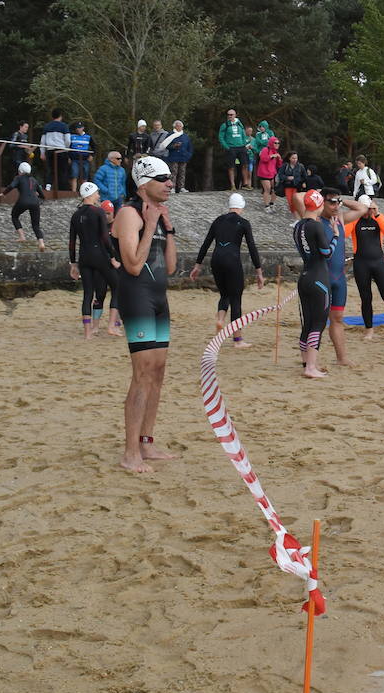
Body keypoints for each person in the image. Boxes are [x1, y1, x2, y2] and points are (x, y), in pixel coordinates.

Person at [113, 156, 179, 472]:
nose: (170, 182)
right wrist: (151, 223)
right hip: (136, 297)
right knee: (141, 374)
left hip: (158, 298)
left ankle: (147, 443)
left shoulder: (156, 214)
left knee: (158, 370)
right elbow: (134, 266)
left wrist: (169, 229)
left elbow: (170, 267)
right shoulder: (128, 214)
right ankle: (130, 453)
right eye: (162, 178)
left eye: (170, 177)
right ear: (143, 183)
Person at [189, 193, 265, 348]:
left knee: (224, 295)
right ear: (242, 207)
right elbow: (252, 247)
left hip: (216, 260)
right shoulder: (243, 223)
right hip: (232, 260)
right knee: (236, 298)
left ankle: (220, 320)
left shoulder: (218, 220)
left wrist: (197, 265)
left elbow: (206, 243)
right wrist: (259, 272)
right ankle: (238, 340)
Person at [346, 196, 384, 342]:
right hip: (361, 263)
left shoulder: (377, 219)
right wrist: (353, 213)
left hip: (378, 261)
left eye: (368, 208)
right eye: (364, 208)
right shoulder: (355, 220)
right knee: (366, 298)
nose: (366, 211)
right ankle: (369, 330)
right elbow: (345, 232)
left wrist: (378, 213)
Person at [319, 187, 369, 363]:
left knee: (338, 318)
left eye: (337, 202)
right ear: (321, 202)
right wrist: (318, 194)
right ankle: (309, 361)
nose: (336, 206)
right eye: (331, 202)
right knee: (316, 321)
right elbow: (297, 197)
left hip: (338, 278)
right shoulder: (314, 220)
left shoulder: (338, 218)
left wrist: (341, 200)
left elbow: (362, 208)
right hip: (321, 277)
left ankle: (342, 358)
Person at [68, 181, 121, 338]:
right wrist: (112, 257)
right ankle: (112, 325)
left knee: (88, 294)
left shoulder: (75, 215)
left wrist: (73, 264)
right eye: (97, 192)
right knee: (118, 287)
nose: (98, 195)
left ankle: (88, 333)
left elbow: (71, 242)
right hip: (99, 256)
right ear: (90, 194)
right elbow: (105, 238)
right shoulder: (97, 212)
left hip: (84, 257)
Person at [293, 189, 333, 379]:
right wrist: (335, 236)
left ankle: (305, 361)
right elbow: (327, 253)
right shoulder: (316, 226)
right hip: (319, 278)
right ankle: (311, 367)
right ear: (319, 205)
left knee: (307, 322)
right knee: (318, 322)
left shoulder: (298, 225)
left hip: (305, 277)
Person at [1, 162, 46, 250]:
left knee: (14, 216)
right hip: (35, 202)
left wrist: (3, 194)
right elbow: (42, 196)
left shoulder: (19, 178)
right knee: (36, 225)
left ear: (20, 171)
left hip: (23, 201)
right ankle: (41, 243)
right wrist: (36, 196)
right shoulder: (34, 180)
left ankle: (22, 236)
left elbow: (11, 186)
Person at [218, 109, 251, 190]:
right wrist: (227, 147)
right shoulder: (225, 125)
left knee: (245, 164)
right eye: (228, 114)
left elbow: (243, 134)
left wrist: (244, 144)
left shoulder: (239, 124)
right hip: (231, 147)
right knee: (231, 166)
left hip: (241, 147)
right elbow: (221, 137)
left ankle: (245, 183)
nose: (230, 116)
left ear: (235, 115)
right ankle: (232, 185)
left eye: (231, 114)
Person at [40, 109, 70, 188]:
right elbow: (68, 140)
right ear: (60, 116)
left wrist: (42, 153)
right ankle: (62, 189)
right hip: (61, 151)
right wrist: (66, 149)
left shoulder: (47, 126)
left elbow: (42, 141)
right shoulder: (64, 126)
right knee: (62, 171)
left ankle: (48, 186)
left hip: (50, 150)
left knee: (50, 170)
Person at [256, 136, 283, 211]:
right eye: (275, 143)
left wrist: (279, 159)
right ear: (271, 143)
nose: (277, 144)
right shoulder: (265, 149)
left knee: (275, 189)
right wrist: (272, 156)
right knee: (267, 189)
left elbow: (279, 165)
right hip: (264, 173)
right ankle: (266, 206)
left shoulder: (276, 152)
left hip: (272, 173)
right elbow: (263, 159)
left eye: (278, 143)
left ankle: (272, 204)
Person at [167, 121, 193, 192]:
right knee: (173, 173)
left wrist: (188, 155)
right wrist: (174, 146)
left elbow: (190, 147)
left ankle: (181, 187)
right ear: (174, 127)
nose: (179, 127)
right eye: (177, 126)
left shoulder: (185, 136)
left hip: (183, 157)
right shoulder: (170, 135)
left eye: (180, 126)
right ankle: (172, 188)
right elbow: (166, 146)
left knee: (182, 173)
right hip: (173, 157)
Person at [68, 122, 92, 189]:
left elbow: (94, 147)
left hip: (85, 159)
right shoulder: (72, 137)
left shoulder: (88, 137)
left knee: (85, 177)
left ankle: (85, 192)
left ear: (83, 128)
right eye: (77, 128)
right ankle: (74, 192)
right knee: (74, 176)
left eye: (79, 128)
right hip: (74, 159)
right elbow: (68, 147)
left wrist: (91, 156)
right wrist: (69, 157)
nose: (78, 129)